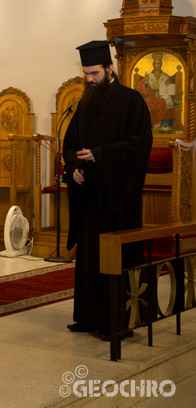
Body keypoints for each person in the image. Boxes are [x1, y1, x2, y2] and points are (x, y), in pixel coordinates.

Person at [63, 40, 152, 340]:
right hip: (90, 196)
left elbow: (137, 145)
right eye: (86, 74)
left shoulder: (131, 101)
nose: (90, 79)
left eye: (95, 73)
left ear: (110, 68)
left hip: (116, 198)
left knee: (116, 261)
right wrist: (75, 166)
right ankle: (88, 317)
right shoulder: (86, 104)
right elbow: (71, 143)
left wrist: (99, 154)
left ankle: (117, 321)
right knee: (90, 259)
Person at [138, 52, 178, 130]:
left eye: (159, 64)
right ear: (153, 64)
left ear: (161, 64)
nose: (157, 65)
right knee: (146, 103)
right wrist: (146, 81)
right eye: (156, 64)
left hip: (162, 96)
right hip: (150, 97)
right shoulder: (149, 76)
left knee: (164, 101)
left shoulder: (166, 76)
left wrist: (168, 85)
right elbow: (142, 89)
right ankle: (151, 126)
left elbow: (171, 89)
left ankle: (164, 125)